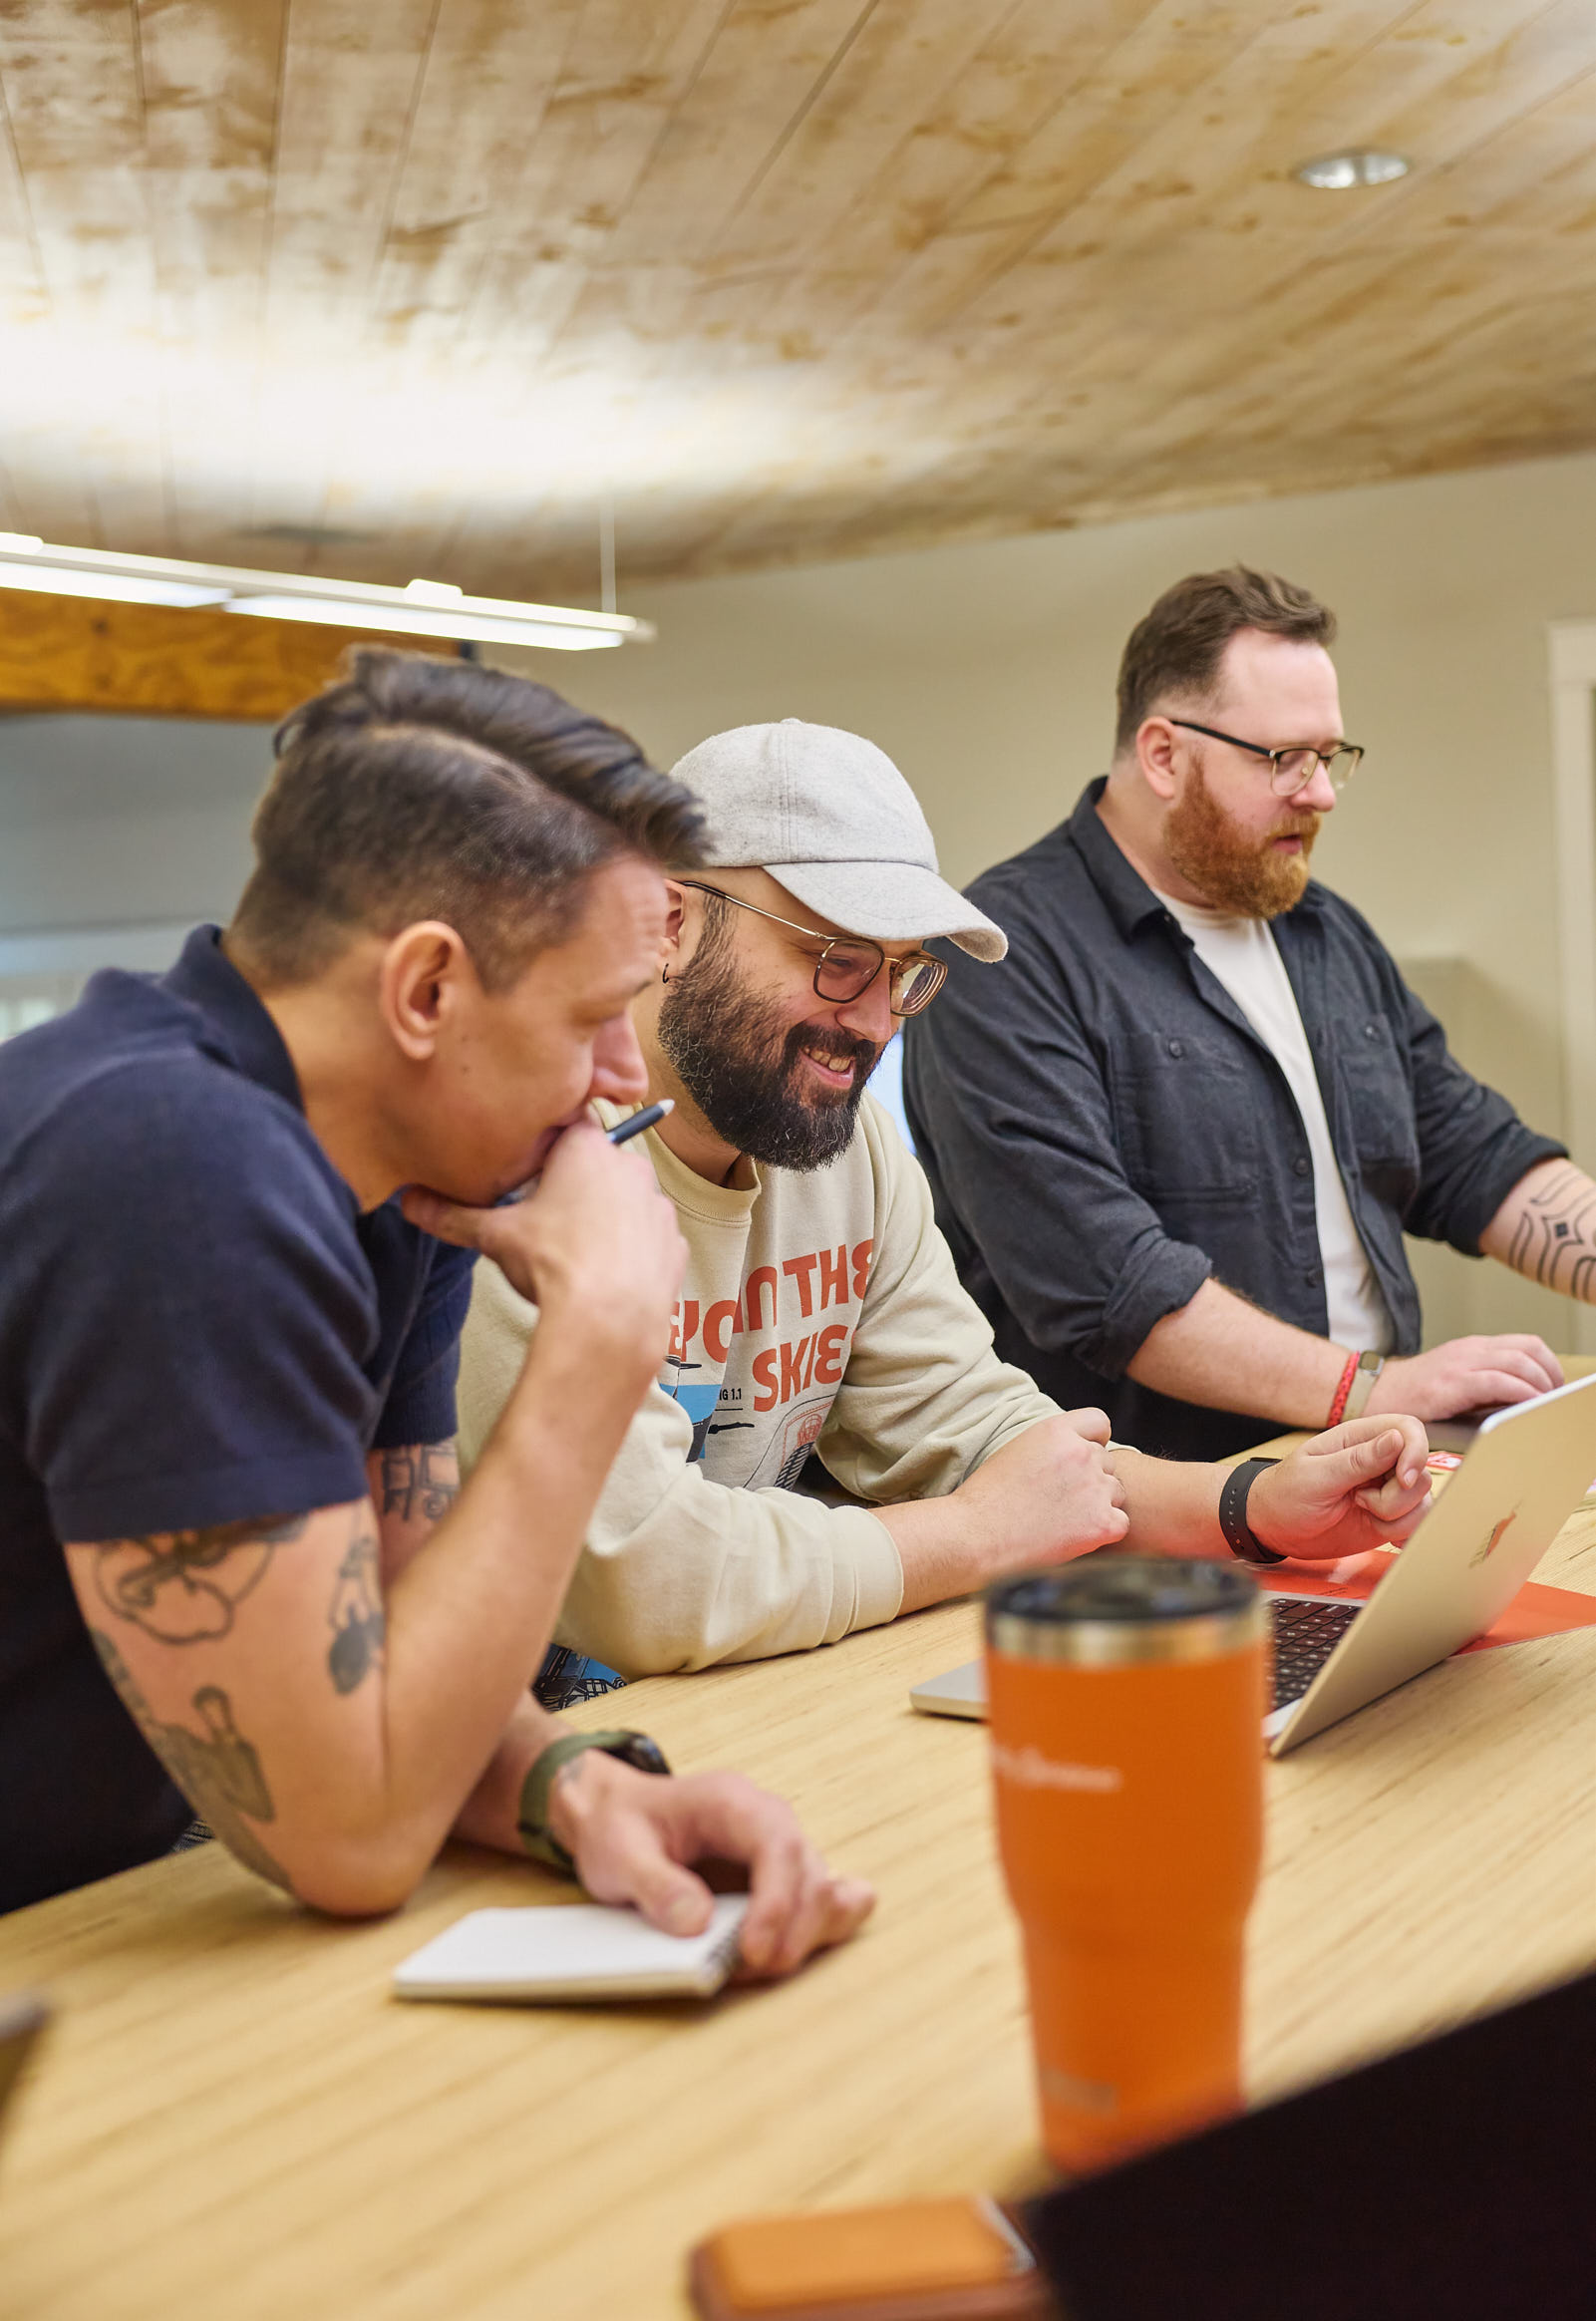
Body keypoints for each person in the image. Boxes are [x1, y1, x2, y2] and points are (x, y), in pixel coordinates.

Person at [0, 650, 873, 1975]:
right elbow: (350, 1836)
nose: (622, 1077)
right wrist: (601, 1341)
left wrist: (578, 1793)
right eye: (591, 1016)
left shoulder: (413, 1174)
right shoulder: (171, 1164)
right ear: (425, 992)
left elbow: (399, 1658)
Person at [456, 717, 1432, 1681]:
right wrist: (966, 1537)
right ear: (668, 923)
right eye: (833, 959)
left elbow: (971, 1430)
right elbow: (642, 1572)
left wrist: (1249, 1506)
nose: (874, 1022)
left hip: (707, 1723)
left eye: (904, 973)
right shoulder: (511, 1166)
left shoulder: (848, 1149)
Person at [903, 563, 1594, 1463]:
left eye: (1329, 756)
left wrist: (1376, 1404)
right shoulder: (1001, 955)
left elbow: (1473, 1156)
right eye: (1282, 759)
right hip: (1156, 1524)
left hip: (1377, 1468)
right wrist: (1370, 1388)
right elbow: (1107, 1283)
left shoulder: (1323, 931)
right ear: (1162, 753)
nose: (1320, 792)